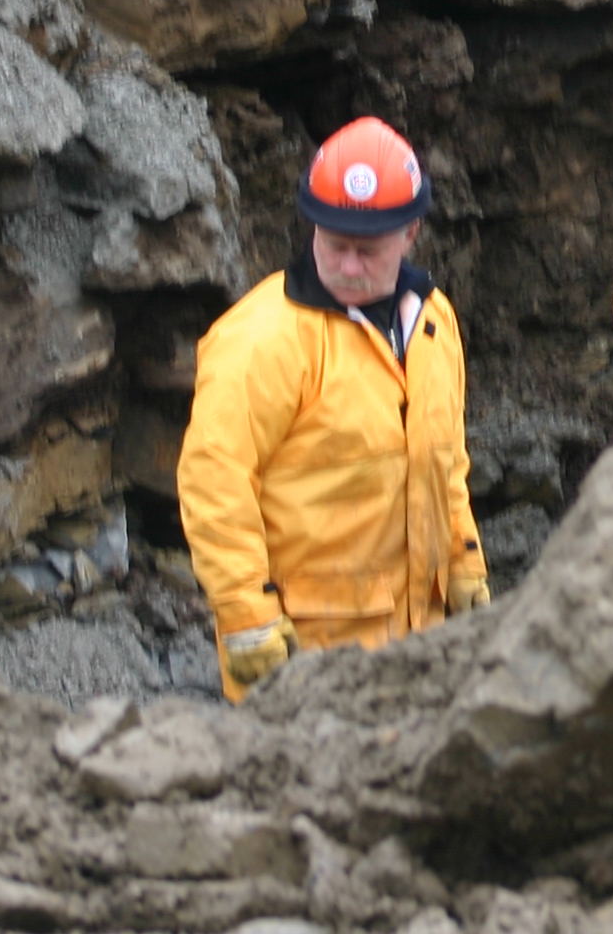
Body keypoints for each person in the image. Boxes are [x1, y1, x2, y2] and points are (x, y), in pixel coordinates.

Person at [179, 116, 487, 700]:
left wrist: (464, 559)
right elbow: (214, 483)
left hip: (417, 648)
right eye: (333, 243)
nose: (347, 264)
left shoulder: (431, 323)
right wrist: (247, 620)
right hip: (308, 657)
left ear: (410, 232)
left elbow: (444, 463)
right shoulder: (261, 339)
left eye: (366, 250)